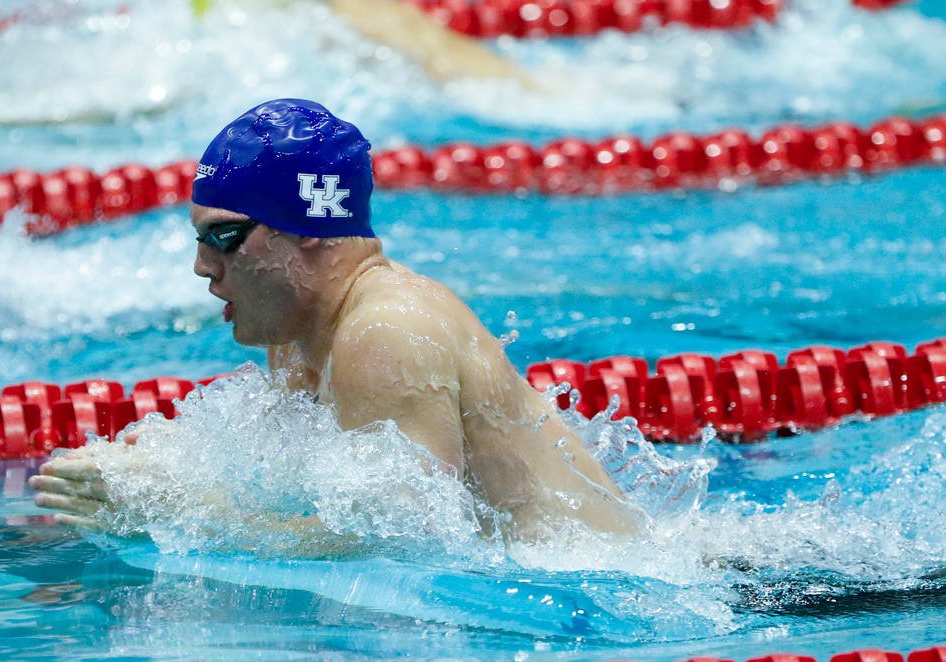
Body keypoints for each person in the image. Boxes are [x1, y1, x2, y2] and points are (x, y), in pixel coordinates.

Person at [32, 99, 641, 544]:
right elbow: (315, 495)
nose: (201, 267)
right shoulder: (299, 331)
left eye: (224, 237)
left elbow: (406, 542)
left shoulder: (389, 331)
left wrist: (174, 504)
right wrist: (170, 461)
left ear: (310, 233)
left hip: (596, 598)